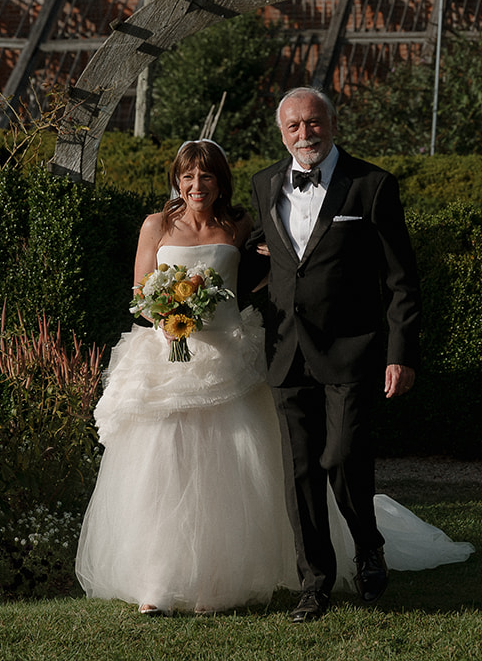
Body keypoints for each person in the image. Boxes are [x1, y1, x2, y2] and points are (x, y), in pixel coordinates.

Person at [74, 138, 296, 614]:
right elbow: (138, 293)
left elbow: (258, 274)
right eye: (189, 176)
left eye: (207, 176)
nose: (197, 185)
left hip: (228, 358)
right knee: (164, 471)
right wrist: (169, 314)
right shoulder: (157, 224)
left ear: (221, 181)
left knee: (231, 469)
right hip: (169, 356)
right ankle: (157, 583)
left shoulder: (237, 225)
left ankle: (218, 581)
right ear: (177, 178)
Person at [249, 87, 426, 624]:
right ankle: (315, 583)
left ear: (332, 123)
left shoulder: (372, 185)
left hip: (353, 349)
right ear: (282, 133)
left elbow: (401, 280)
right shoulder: (263, 184)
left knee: (342, 457)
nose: (306, 134)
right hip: (284, 352)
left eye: (314, 123)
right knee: (300, 471)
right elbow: (269, 252)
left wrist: (401, 353)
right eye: (295, 126)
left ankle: (367, 543)